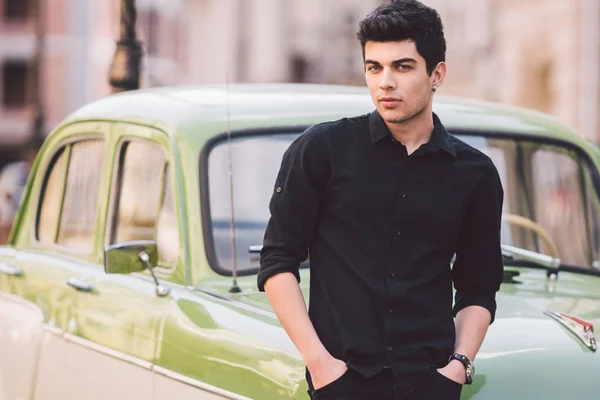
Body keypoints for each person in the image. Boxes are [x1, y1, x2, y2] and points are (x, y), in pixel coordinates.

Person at [258, 1, 504, 399]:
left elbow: (479, 286)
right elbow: (277, 261)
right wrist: (320, 364)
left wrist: (457, 367)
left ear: (436, 73)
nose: (385, 82)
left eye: (402, 67)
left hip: (431, 383)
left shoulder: (475, 173)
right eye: (374, 67)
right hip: (341, 380)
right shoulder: (320, 150)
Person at [0, 134, 44, 243]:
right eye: (33, 156)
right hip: (12, 228)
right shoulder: (12, 174)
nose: (35, 160)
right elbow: (5, 211)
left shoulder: (48, 174)